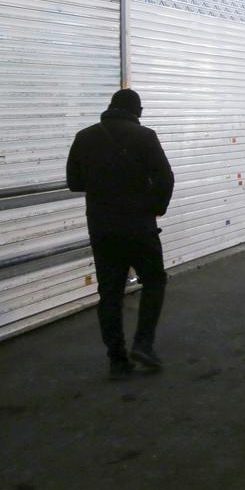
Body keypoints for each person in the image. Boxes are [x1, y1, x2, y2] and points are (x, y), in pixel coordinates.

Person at [66, 88, 175, 379]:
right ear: (136, 111)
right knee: (154, 281)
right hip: (139, 225)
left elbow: (74, 182)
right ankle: (143, 343)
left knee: (110, 292)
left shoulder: (85, 137)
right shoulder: (145, 136)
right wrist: (156, 207)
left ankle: (117, 359)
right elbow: (165, 178)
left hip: (102, 227)